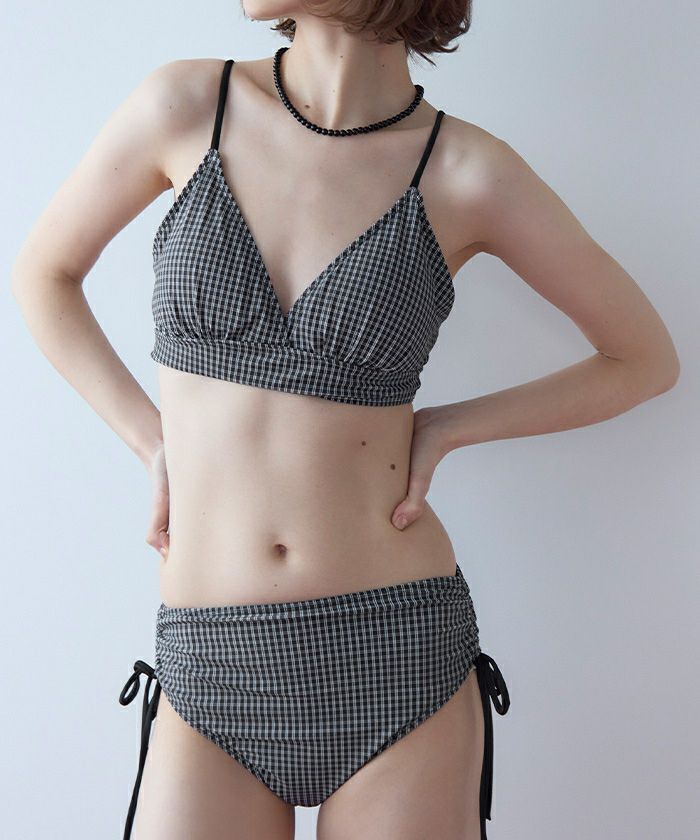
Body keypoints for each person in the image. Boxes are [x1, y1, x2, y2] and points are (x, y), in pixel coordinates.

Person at [11, 3, 679, 840]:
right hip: (210, 665)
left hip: (400, 658)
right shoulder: (184, 106)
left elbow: (643, 359)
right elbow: (43, 274)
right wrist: (154, 443)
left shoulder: (468, 170)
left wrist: (447, 428)